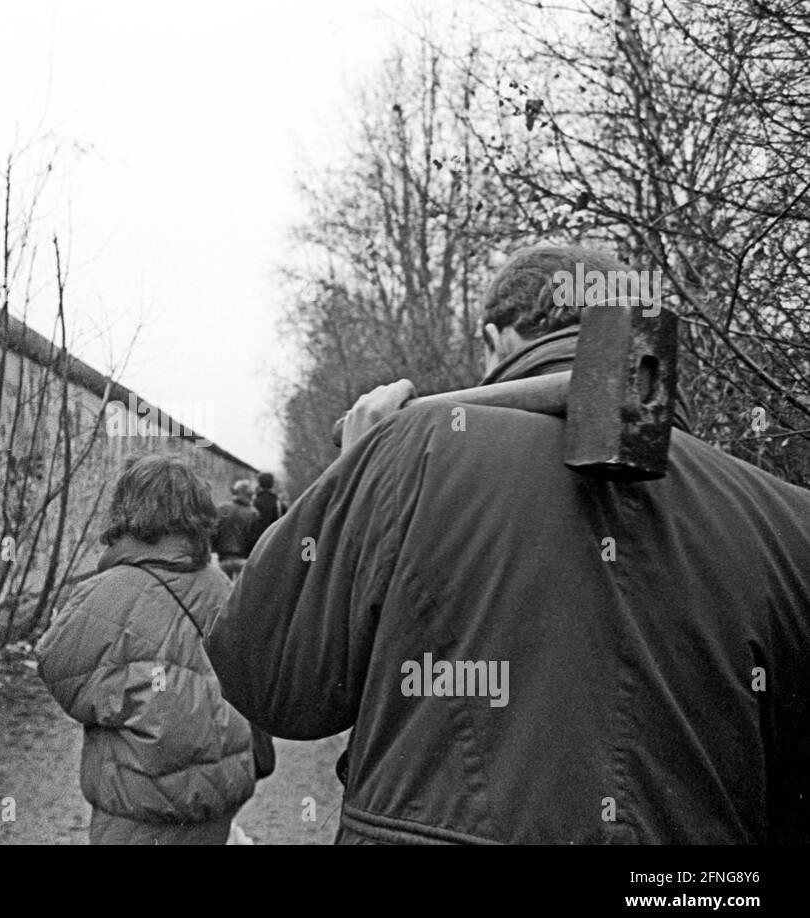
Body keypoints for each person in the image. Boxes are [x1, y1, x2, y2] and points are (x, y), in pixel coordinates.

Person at [205, 244, 810, 844]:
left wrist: (356, 469)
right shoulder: (791, 520)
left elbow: (272, 683)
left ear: (495, 341)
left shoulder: (417, 453)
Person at [35, 455, 256, 845]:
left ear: (126, 511)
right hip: (218, 798)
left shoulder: (104, 592)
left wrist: (126, 696)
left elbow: (57, 666)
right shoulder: (220, 584)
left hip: (139, 805)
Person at [212, 478, 260, 580]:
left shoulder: (222, 509)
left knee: (225, 592)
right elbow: (254, 538)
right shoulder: (253, 513)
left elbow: (214, 531)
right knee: (241, 593)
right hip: (243, 559)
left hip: (223, 558)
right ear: (250, 495)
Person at [248, 471, 285, 548]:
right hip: (272, 544)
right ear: (272, 484)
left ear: (259, 484)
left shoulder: (252, 503)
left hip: (254, 546)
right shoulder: (280, 505)